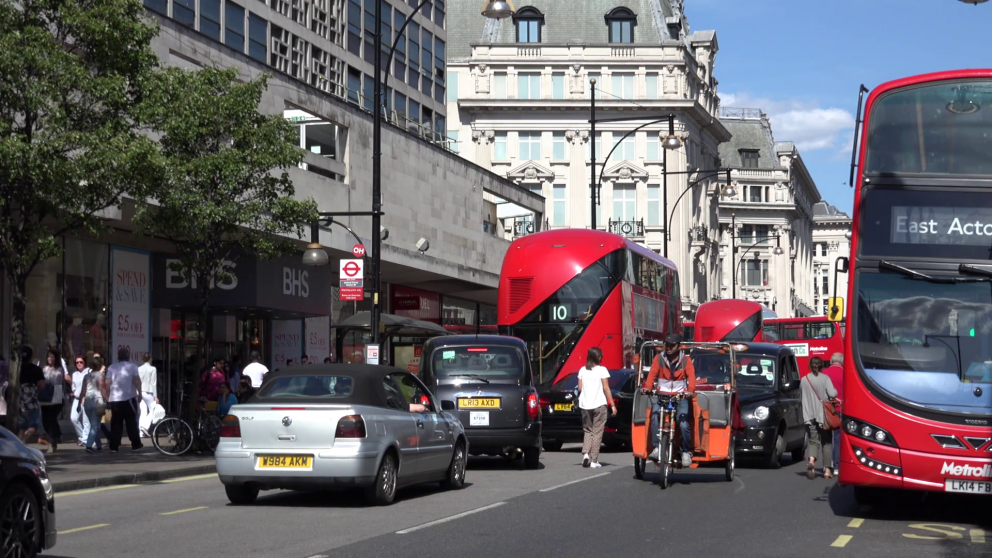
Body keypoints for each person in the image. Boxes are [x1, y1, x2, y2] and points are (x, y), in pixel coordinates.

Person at [641, 334, 696, 466]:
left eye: (672, 345)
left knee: (683, 424)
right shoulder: (658, 358)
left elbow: (692, 377)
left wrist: (690, 391)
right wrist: (648, 388)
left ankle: (686, 452)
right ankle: (656, 447)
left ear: (679, 346)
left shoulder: (686, 360)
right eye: (667, 345)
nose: (669, 348)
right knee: (654, 416)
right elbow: (652, 375)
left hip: (680, 397)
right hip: (662, 396)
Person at [577, 347, 616, 468]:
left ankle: (585, 454)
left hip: (585, 405)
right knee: (597, 432)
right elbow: (606, 388)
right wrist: (613, 405)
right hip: (599, 404)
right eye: (601, 356)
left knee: (588, 430)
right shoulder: (602, 370)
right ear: (597, 357)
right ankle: (594, 460)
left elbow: (579, 389)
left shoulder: (582, 370)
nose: (601, 358)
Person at [802, 356, 838, 480]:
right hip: (823, 416)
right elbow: (833, 394)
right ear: (821, 365)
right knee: (827, 443)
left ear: (810, 365)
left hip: (809, 415)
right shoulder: (825, 378)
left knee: (813, 441)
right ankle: (827, 470)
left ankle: (811, 461)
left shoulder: (804, 380)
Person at [103, 347, 143, 452]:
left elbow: (107, 383)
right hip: (129, 398)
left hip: (115, 400)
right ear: (128, 356)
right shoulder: (133, 366)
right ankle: (136, 444)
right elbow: (136, 381)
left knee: (115, 423)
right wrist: (140, 393)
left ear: (118, 356)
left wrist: (107, 396)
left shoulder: (112, 367)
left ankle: (114, 446)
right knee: (131, 422)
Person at [18, 346, 48, 446]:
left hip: (19, 401)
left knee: (22, 425)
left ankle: (18, 443)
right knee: (34, 424)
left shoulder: (16, 368)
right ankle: (23, 441)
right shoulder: (36, 369)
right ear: (31, 356)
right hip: (32, 401)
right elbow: (42, 384)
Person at [821, 353, 844, 474]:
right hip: (839, 410)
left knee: (826, 439)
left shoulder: (824, 373)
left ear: (831, 360)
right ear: (842, 362)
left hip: (826, 410)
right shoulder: (845, 373)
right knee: (837, 439)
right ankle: (836, 466)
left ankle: (826, 465)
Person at [78, 356, 105, 452]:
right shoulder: (100, 375)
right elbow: (102, 389)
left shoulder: (86, 376)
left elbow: (83, 391)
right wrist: (107, 400)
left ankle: (99, 444)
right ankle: (89, 445)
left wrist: (79, 403)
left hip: (87, 402)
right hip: (97, 401)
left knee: (94, 423)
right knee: (95, 425)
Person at [40, 349, 65, 452]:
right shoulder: (44, 369)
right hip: (45, 396)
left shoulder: (59, 369)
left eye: (52, 356)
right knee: (46, 420)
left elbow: (57, 380)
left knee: (51, 419)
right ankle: (56, 437)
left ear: (56, 358)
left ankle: (52, 441)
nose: (50, 358)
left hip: (56, 395)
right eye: (48, 356)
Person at [69, 356, 89, 445]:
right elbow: (73, 387)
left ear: (85, 362)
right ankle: (82, 437)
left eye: (81, 362)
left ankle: (85, 440)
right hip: (77, 399)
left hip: (86, 398)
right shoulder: (74, 374)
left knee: (86, 421)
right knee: (73, 418)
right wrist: (74, 392)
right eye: (77, 362)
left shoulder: (89, 372)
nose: (79, 364)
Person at [138, 353, 158, 436]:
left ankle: (141, 432)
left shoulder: (139, 368)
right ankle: (145, 427)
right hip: (148, 391)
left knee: (143, 412)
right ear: (150, 359)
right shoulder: (153, 368)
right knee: (153, 409)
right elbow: (153, 383)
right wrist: (155, 396)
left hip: (140, 392)